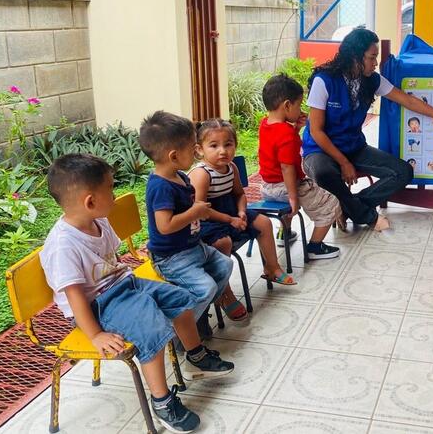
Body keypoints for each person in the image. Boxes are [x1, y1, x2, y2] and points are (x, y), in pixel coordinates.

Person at [41, 154, 234, 433]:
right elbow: (75, 298)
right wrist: (95, 334)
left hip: (123, 284)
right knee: (150, 327)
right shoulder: (63, 245)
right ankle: (162, 401)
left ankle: (196, 357)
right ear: (90, 201)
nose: (115, 194)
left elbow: (109, 262)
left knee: (180, 299)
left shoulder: (98, 219)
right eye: (111, 188)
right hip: (98, 305)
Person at [302, 27, 433, 231]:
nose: (376, 63)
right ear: (354, 56)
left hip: (353, 147)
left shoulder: (372, 81)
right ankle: (368, 217)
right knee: (325, 173)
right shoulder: (324, 81)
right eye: (372, 57)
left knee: (403, 172)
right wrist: (343, 163)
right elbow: (317, 131)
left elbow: (408, 101)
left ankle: (348, 207)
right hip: (320, 150)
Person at [139, 111, 235, 340]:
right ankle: (180, 332)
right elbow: (165, 226)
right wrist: (195, 212)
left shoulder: (180, 176)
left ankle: (192, 318)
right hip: (171, 257)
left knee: (224, 266)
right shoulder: (161, 186)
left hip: (192, 247)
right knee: (206, 288)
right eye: (192, 148)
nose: (196, 151)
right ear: (174, 156)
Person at [189, 119, 296, 317]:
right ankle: (225, 293)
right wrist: (230, 220)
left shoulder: (232, 168)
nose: (223, 151)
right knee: (223, 243)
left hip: (231, 211)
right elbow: (200, 210)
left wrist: (240, 212)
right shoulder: (201, 174)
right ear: (200, 150)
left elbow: (239, 194)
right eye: (214, 146)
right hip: (208, 220)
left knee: (264, 222)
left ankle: (272, 267)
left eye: (228, 144)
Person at [258, 74, 342, 260]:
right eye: (298, 105)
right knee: (331, 203)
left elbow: (277, 147)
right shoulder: (286, 134)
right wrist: (294, 198)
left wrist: (295, 128)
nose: (301, 109)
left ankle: (284, 233)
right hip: (286, 187)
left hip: (266, 187)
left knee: (291, 204)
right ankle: (315, 246)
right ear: (287, 105)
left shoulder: (265, 125)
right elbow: (287, 167)